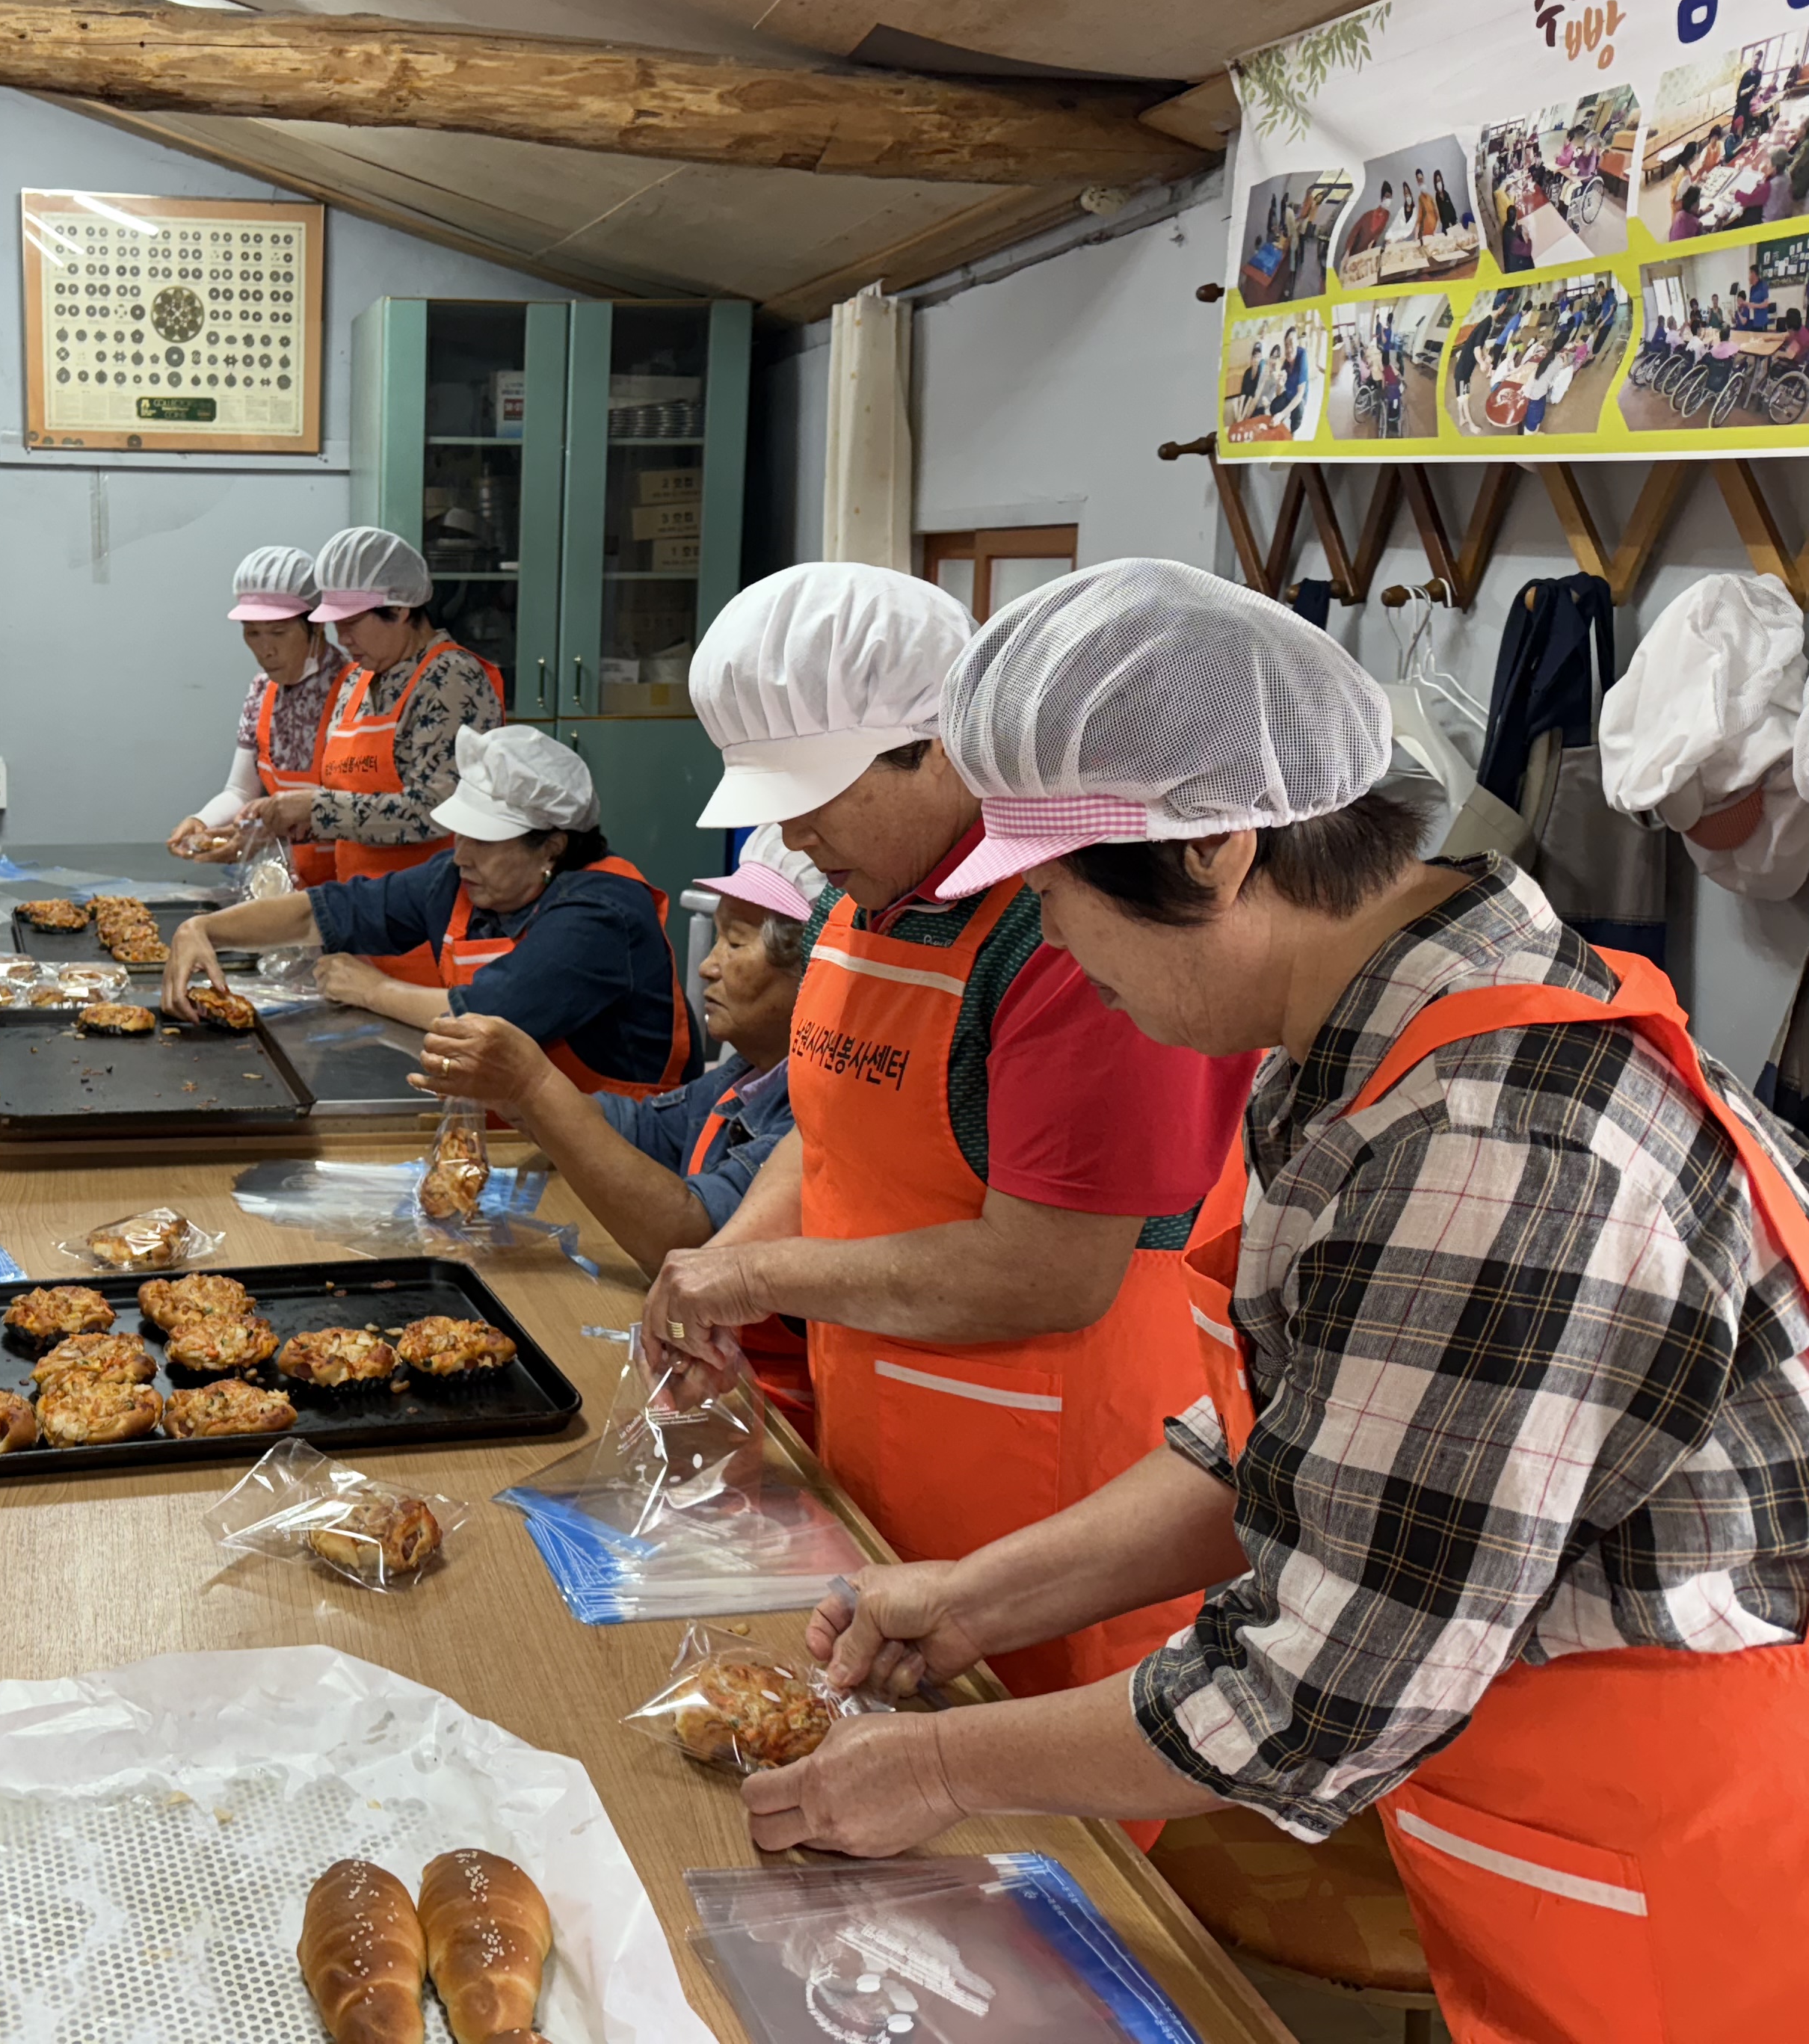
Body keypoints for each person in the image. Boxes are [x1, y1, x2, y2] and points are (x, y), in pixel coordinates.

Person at [761, 560, 1809, 2044]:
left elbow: (1310, 1692)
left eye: (1055, 894)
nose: (1050, 943)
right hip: (1557, 1840)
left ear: (1214, 852)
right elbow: (1291, 1445)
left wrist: (935, 1769)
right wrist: (974, 1599)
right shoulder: (1355, 1042)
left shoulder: (1494, 1148)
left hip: (1693, 1905)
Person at [636, 564, 1256, 1703]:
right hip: (879, 1458)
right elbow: (829, 1133)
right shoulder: (857, 900)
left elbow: (1050, 1271)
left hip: (1049, 1504)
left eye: (819, 792)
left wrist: (765, 1277)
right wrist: (728, 1268)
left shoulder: (1076, 933)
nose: (793, 829)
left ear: (940, 746)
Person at [167, 723, 697, 1097]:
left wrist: (372, 990)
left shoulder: (602, 913)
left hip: (619, 1139)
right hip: (514, 1117)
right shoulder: (458, 879)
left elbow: (490, 1016)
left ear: (552, 848)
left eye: (483, 841)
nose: (461, 855)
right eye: (461, 834)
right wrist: (205, 930)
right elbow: (323, 914)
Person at [410, 834, 814, 1274]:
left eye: (734, 944)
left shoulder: (809, 1112)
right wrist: (512, 1099)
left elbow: (692, 1238)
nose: (707, 967)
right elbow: (641, 1130)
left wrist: (532, 1085)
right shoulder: (743, 1077)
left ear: (812, 971)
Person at [235, 526, 504, 980]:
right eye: (336, 624)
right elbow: (349, 800)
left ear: (399, 610)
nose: (342, 638)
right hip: (363, 924)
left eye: (352, 623)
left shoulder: (451, 679)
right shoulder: (357, 681)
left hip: (431, 931)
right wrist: (278, 823)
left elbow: (437, 811)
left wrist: (316, 809)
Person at [168, 544, 349, 878]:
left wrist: (263, 835)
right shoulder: (262, 690)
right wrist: (202, 821)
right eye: (252, 633)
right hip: (287, 880)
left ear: (317, 626)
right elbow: (241, 791)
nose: (266, 650)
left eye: (279, 632)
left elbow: (361, 807)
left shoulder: (355, 690)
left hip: (348, 880)